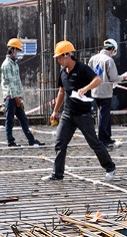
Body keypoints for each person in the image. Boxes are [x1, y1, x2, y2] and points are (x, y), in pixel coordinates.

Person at [42, 40, 117, 182]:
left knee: (94, 142)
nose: (58, 60)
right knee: (60, 142)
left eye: (59, 57)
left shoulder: (82, 68)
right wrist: (55, 111)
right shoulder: (63, 73)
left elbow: (97, 80)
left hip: (83, 114)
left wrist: (85, 88)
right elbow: (61, 92)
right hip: (68, 114)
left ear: (67, 55)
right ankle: (57, 174)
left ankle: (110, 167)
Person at [1, 37, 44, 147]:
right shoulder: (7, 65)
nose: (18, 53)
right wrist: (16, 98)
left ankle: (31, 140)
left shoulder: (15, 64)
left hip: (17, 98)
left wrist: (20, 96)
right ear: (12, 50)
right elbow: (10, 84)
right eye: (17, 50)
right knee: (9, 121)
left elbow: (17, 82)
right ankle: (10, 141)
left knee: (24, 120)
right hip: (10, 98)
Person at [89, 38, 127, 147]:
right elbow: (113, 78)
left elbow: (88, 74)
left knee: (102, 114)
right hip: (105, 91)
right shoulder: (109, 60)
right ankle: (103, 138)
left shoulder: (93, 58)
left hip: (95, 90)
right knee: (104, 115)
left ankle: (106, 137)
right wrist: (122, 77)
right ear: (112, 49)